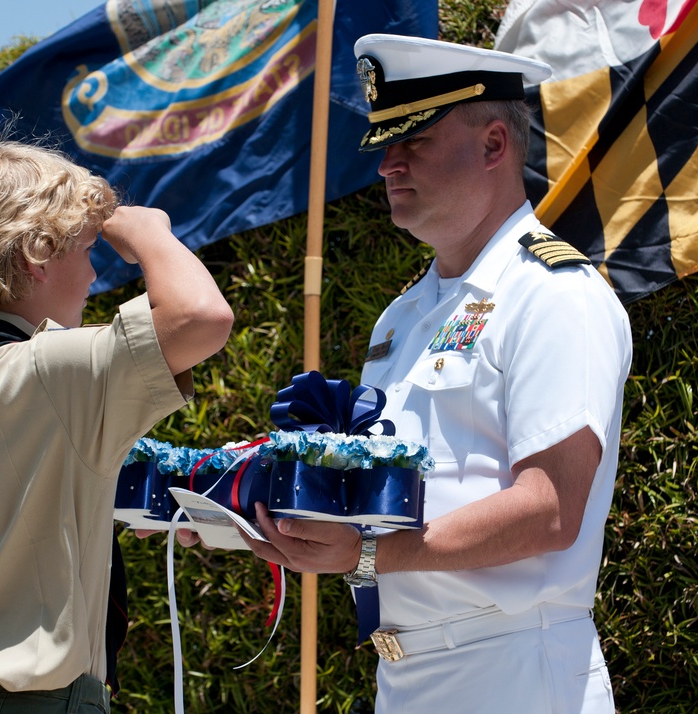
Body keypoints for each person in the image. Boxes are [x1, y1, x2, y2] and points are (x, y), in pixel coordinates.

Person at [242, 35, 631, 713]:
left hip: (517, 671)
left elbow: (552, 509)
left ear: (493, 145)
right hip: (408, 672)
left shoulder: (554, 292)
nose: (389, 163)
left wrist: (363, 554)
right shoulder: (403, 317)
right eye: (386, 142)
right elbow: (399, 497)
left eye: (415, 138)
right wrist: (263, 511)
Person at [0, 139, 234, 713]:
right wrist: (149, 234)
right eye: (88, 249)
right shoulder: (44, 371)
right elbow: (199, 317)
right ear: (38, 254)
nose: (93, 273)